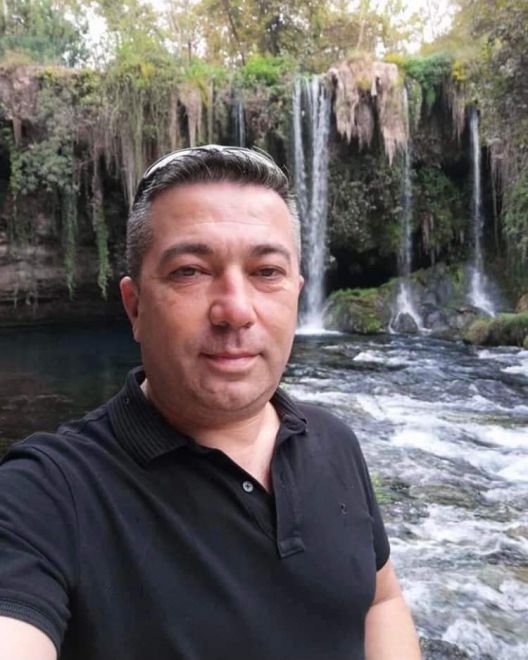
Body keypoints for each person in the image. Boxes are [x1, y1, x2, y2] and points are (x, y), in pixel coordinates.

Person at [0, 145, 421, 660]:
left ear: (297, 293)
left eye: (267, 271)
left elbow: (380, 599)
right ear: (135, 307)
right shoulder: (45, 494)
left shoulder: (333, 441)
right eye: (191, 271)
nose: (236, 310)